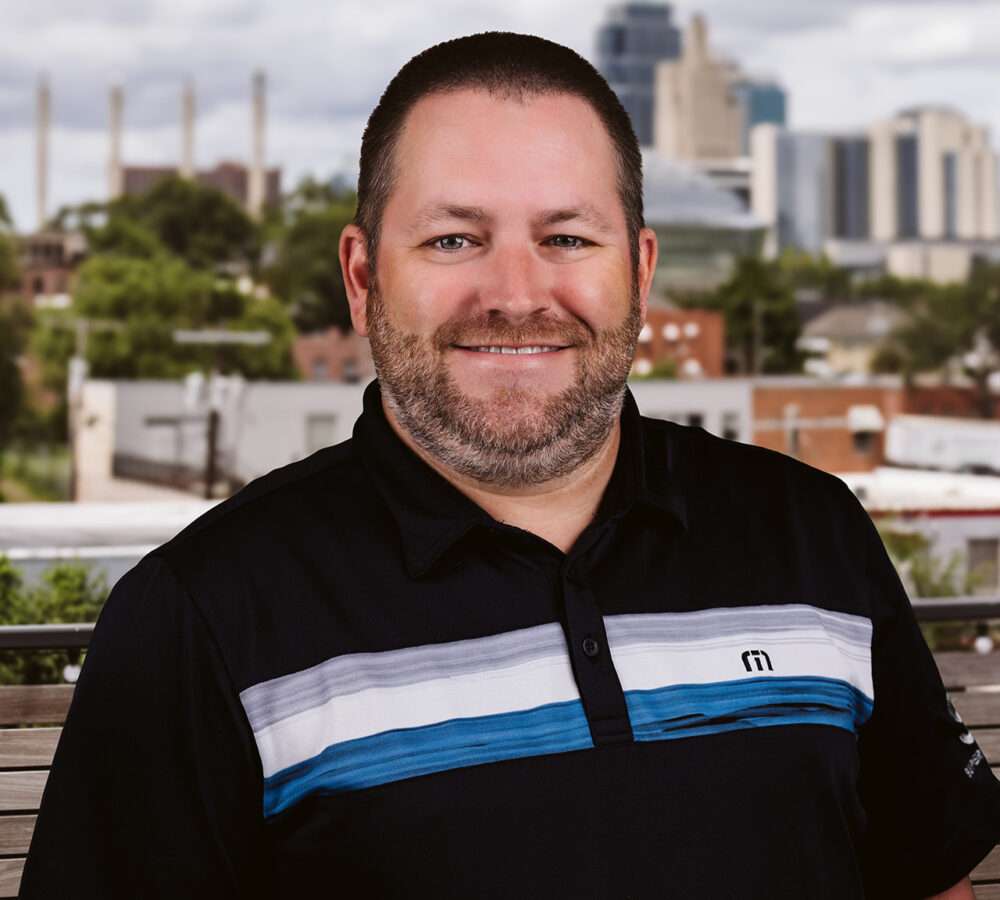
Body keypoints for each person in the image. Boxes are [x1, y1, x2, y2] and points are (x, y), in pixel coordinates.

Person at [21, 32, 1000, 899]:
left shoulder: (812, 533)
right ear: (363, 277)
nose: (516, 293)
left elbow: (923, 880)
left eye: (566, 237)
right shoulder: (200, 615)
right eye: (454, 238)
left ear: (642, 271)